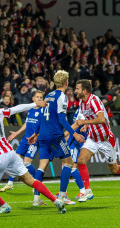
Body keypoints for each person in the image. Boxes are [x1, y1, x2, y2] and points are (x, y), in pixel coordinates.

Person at [27, 70, 87, 205]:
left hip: (43, 135)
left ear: (54, 82)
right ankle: (62, 196)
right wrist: (74, 133)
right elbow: (61, 118)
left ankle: (36, 199)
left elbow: (42, 116)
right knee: (69, 163)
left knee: (42, 167)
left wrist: (35, 133)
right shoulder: (62, 96)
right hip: (55, 135)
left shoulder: (49, 95)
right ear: (66, 82)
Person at [74, 79, 120, 200]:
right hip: (92, 138)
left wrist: (84, 122)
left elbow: (101, 119)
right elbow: (89, 116)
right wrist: (86, 125)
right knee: (80, 160)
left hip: (106, 139)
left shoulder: (94, 100)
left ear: (84, 91)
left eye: (77, 89)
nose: (75, 91)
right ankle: (88, 191)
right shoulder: (82, 102)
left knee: (114, 169)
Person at [0, 91, 43, 198]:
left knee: (26, 163)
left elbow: (43, 126)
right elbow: (27, 123)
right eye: (37, 97)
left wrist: (36, 136)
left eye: (41, 97)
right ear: (33, 98)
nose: (39, 99)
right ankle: (10, 184)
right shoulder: (31, 110)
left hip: (34, 141)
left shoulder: (43, 111)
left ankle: (36, 181)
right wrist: (16, 133)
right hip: (25, 140)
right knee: (14, 159)